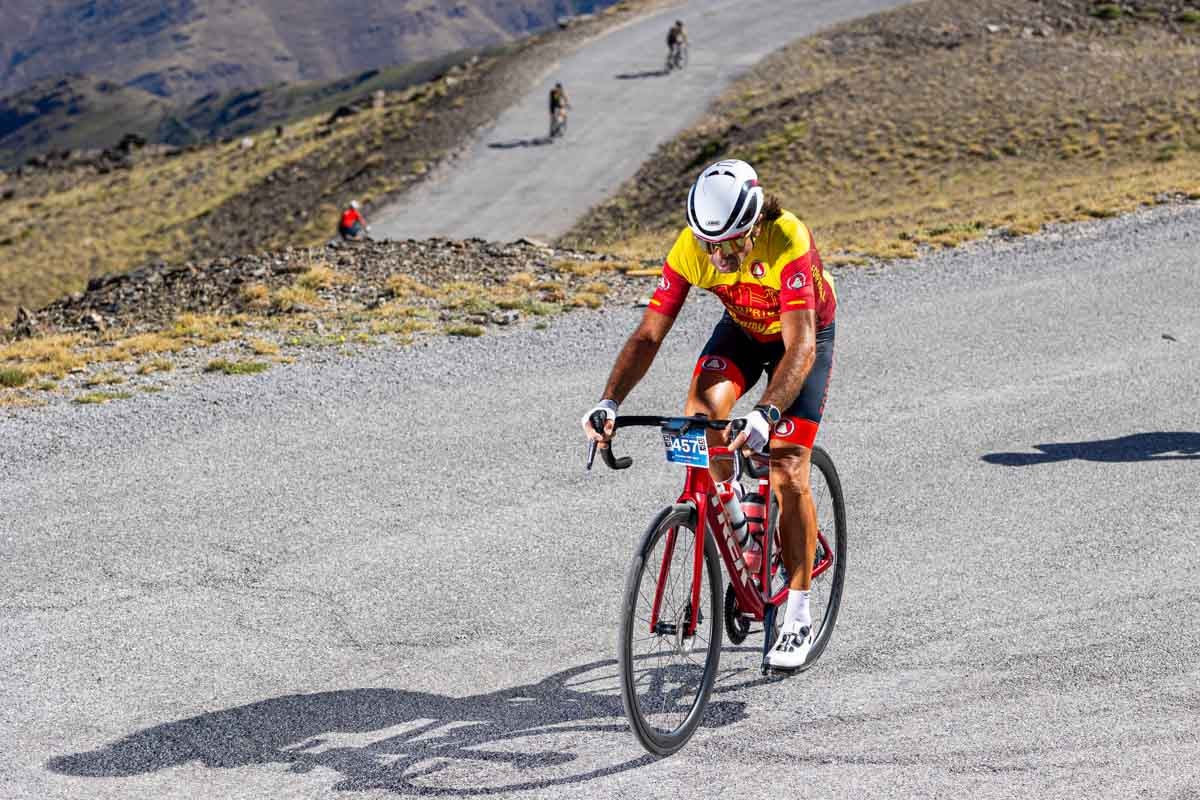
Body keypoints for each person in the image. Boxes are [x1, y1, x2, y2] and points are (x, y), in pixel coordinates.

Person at [581, 159, 837, 671]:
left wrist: (766, 414)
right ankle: (742, 522)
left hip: (801, 338)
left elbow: (801, 346)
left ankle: (798, 610)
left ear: (756, 222)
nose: (715, 255)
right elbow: (649, 335)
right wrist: (610, 401)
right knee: (700, 421)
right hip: (742, 332)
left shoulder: (787, 238)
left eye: (729, 244)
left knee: (787, 467)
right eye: (707, 244)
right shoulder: (691, 248)